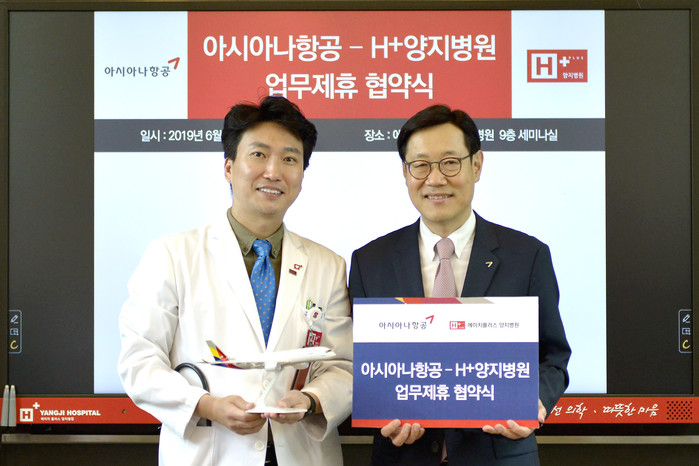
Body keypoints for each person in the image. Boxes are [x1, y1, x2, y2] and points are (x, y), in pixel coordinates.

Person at [118, 96, 352, 465]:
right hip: (209, 450)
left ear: (302, 176)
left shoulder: (328, 265)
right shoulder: (172, 255)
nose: (273, 171)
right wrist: (206, 405)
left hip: (300, 452)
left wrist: (310, 400)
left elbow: (342, 365)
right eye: (259, 155)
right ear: (229, 167)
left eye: (290, 159)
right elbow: (140, 361)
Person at [348, 104, 570, 465]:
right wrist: (380, 410)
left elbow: (553, 357)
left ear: (476, 165)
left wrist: (536, 401)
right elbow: (358, 364)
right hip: (403, 455)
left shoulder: (527, 256)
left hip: (499, 453)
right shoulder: (369, 261)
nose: (435, 179)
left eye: (450, 163)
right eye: (420, 165)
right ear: (405, 172)